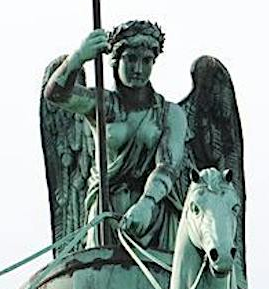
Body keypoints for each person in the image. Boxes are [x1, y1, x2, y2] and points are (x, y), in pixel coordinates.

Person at [43, 19, 188, 251]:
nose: (138, 69)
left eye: (146, 60)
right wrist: (79, 57)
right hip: (106, 210)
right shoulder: (101, 105)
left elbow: (167, 166)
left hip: (154, 215)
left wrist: (147, 203)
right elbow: (56, 95)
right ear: (116, 60)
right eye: (130, 59)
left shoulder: (169, 114)